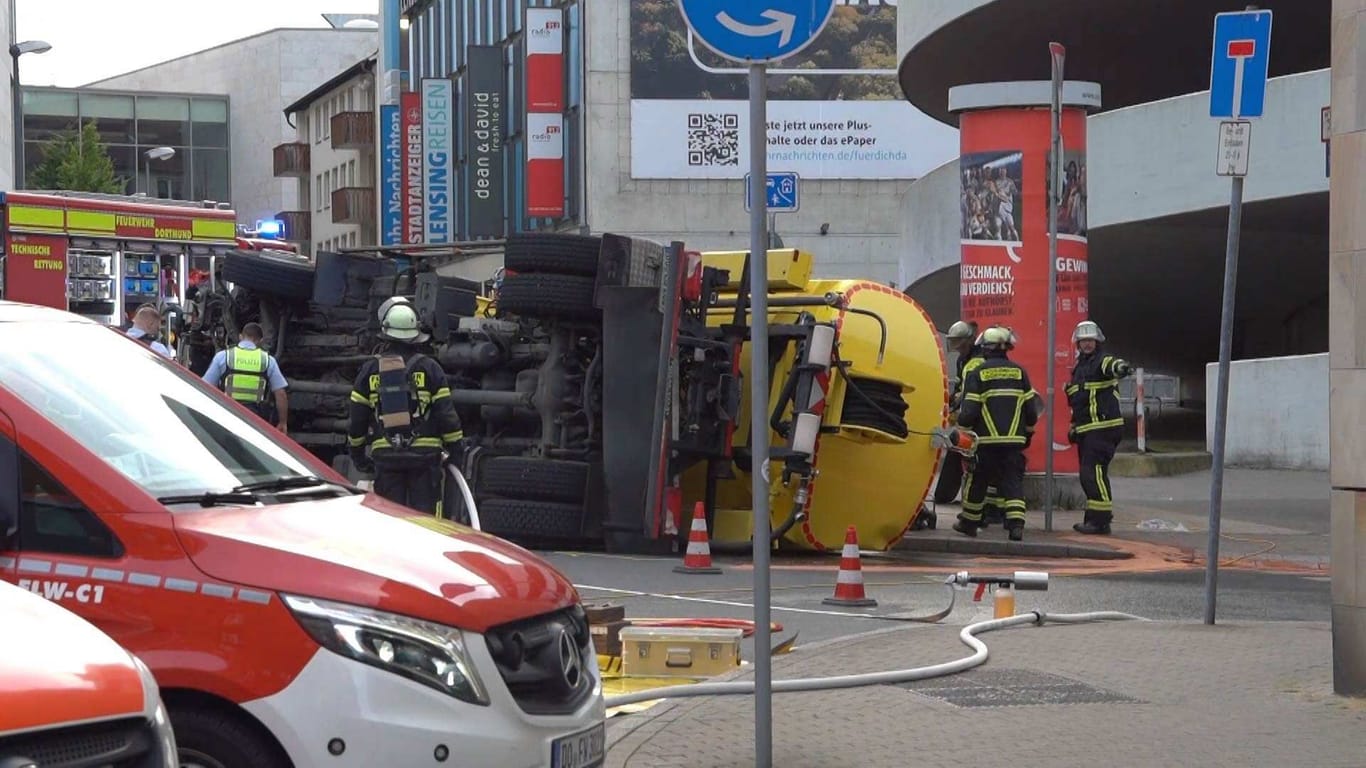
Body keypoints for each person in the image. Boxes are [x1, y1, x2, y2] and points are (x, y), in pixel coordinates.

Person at [347, 299, 465, 516]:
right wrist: (456, 452)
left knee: (391, 520)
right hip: (425, 457)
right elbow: (447, 415)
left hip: (386, 456)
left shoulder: (370, 369)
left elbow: (357, 420)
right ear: (415, 334)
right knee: (426, 521)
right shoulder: (430, 368)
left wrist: (358, 456)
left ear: (385, 333)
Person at [953, 326, 1041, 542]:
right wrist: (1028, 433)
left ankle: (969, 523)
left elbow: (970, 411)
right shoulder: (1020, 372)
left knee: (979, 479)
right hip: (1014, 441)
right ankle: (1016, 525)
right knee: (1012, 480)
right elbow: (1031, 410)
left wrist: (962, 426)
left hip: (986, 441)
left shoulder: (978, 373)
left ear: (984, 348)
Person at [1066, 320, 1134, 535]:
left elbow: (1113, 365)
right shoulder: (1080, 367)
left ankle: (1101, 521)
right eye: (1083, 340)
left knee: (1091, 473)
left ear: (1097, 342)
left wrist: (1121, 367)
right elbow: (1079, 401)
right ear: (1078, 343)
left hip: (1103, 427)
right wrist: (1075, 426)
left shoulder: (1101, 361)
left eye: (1090, 340)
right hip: (1089, 428)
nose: (1087, 344)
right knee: (1093, 474)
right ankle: (1093, 518)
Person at [202, 322, 290, 433]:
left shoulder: (223, 356)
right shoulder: (268, 360)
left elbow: (205, 387)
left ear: (240, 337)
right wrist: (283, 422)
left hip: (227, 415)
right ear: (260, 341)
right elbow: (280, 394)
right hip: (255, 420)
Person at [932, 320, 980, 505]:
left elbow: (970, 391)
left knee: (966, 455)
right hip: (966, 414)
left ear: (968, 341)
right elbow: (960, 387)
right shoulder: (963, 360)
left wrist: (959, 401)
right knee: (956, 449)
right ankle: (944, 495)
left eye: (958, 342)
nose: (956, 347)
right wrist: (949, 401)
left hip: (976, 416)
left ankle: (950, 496)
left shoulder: (978, 360)